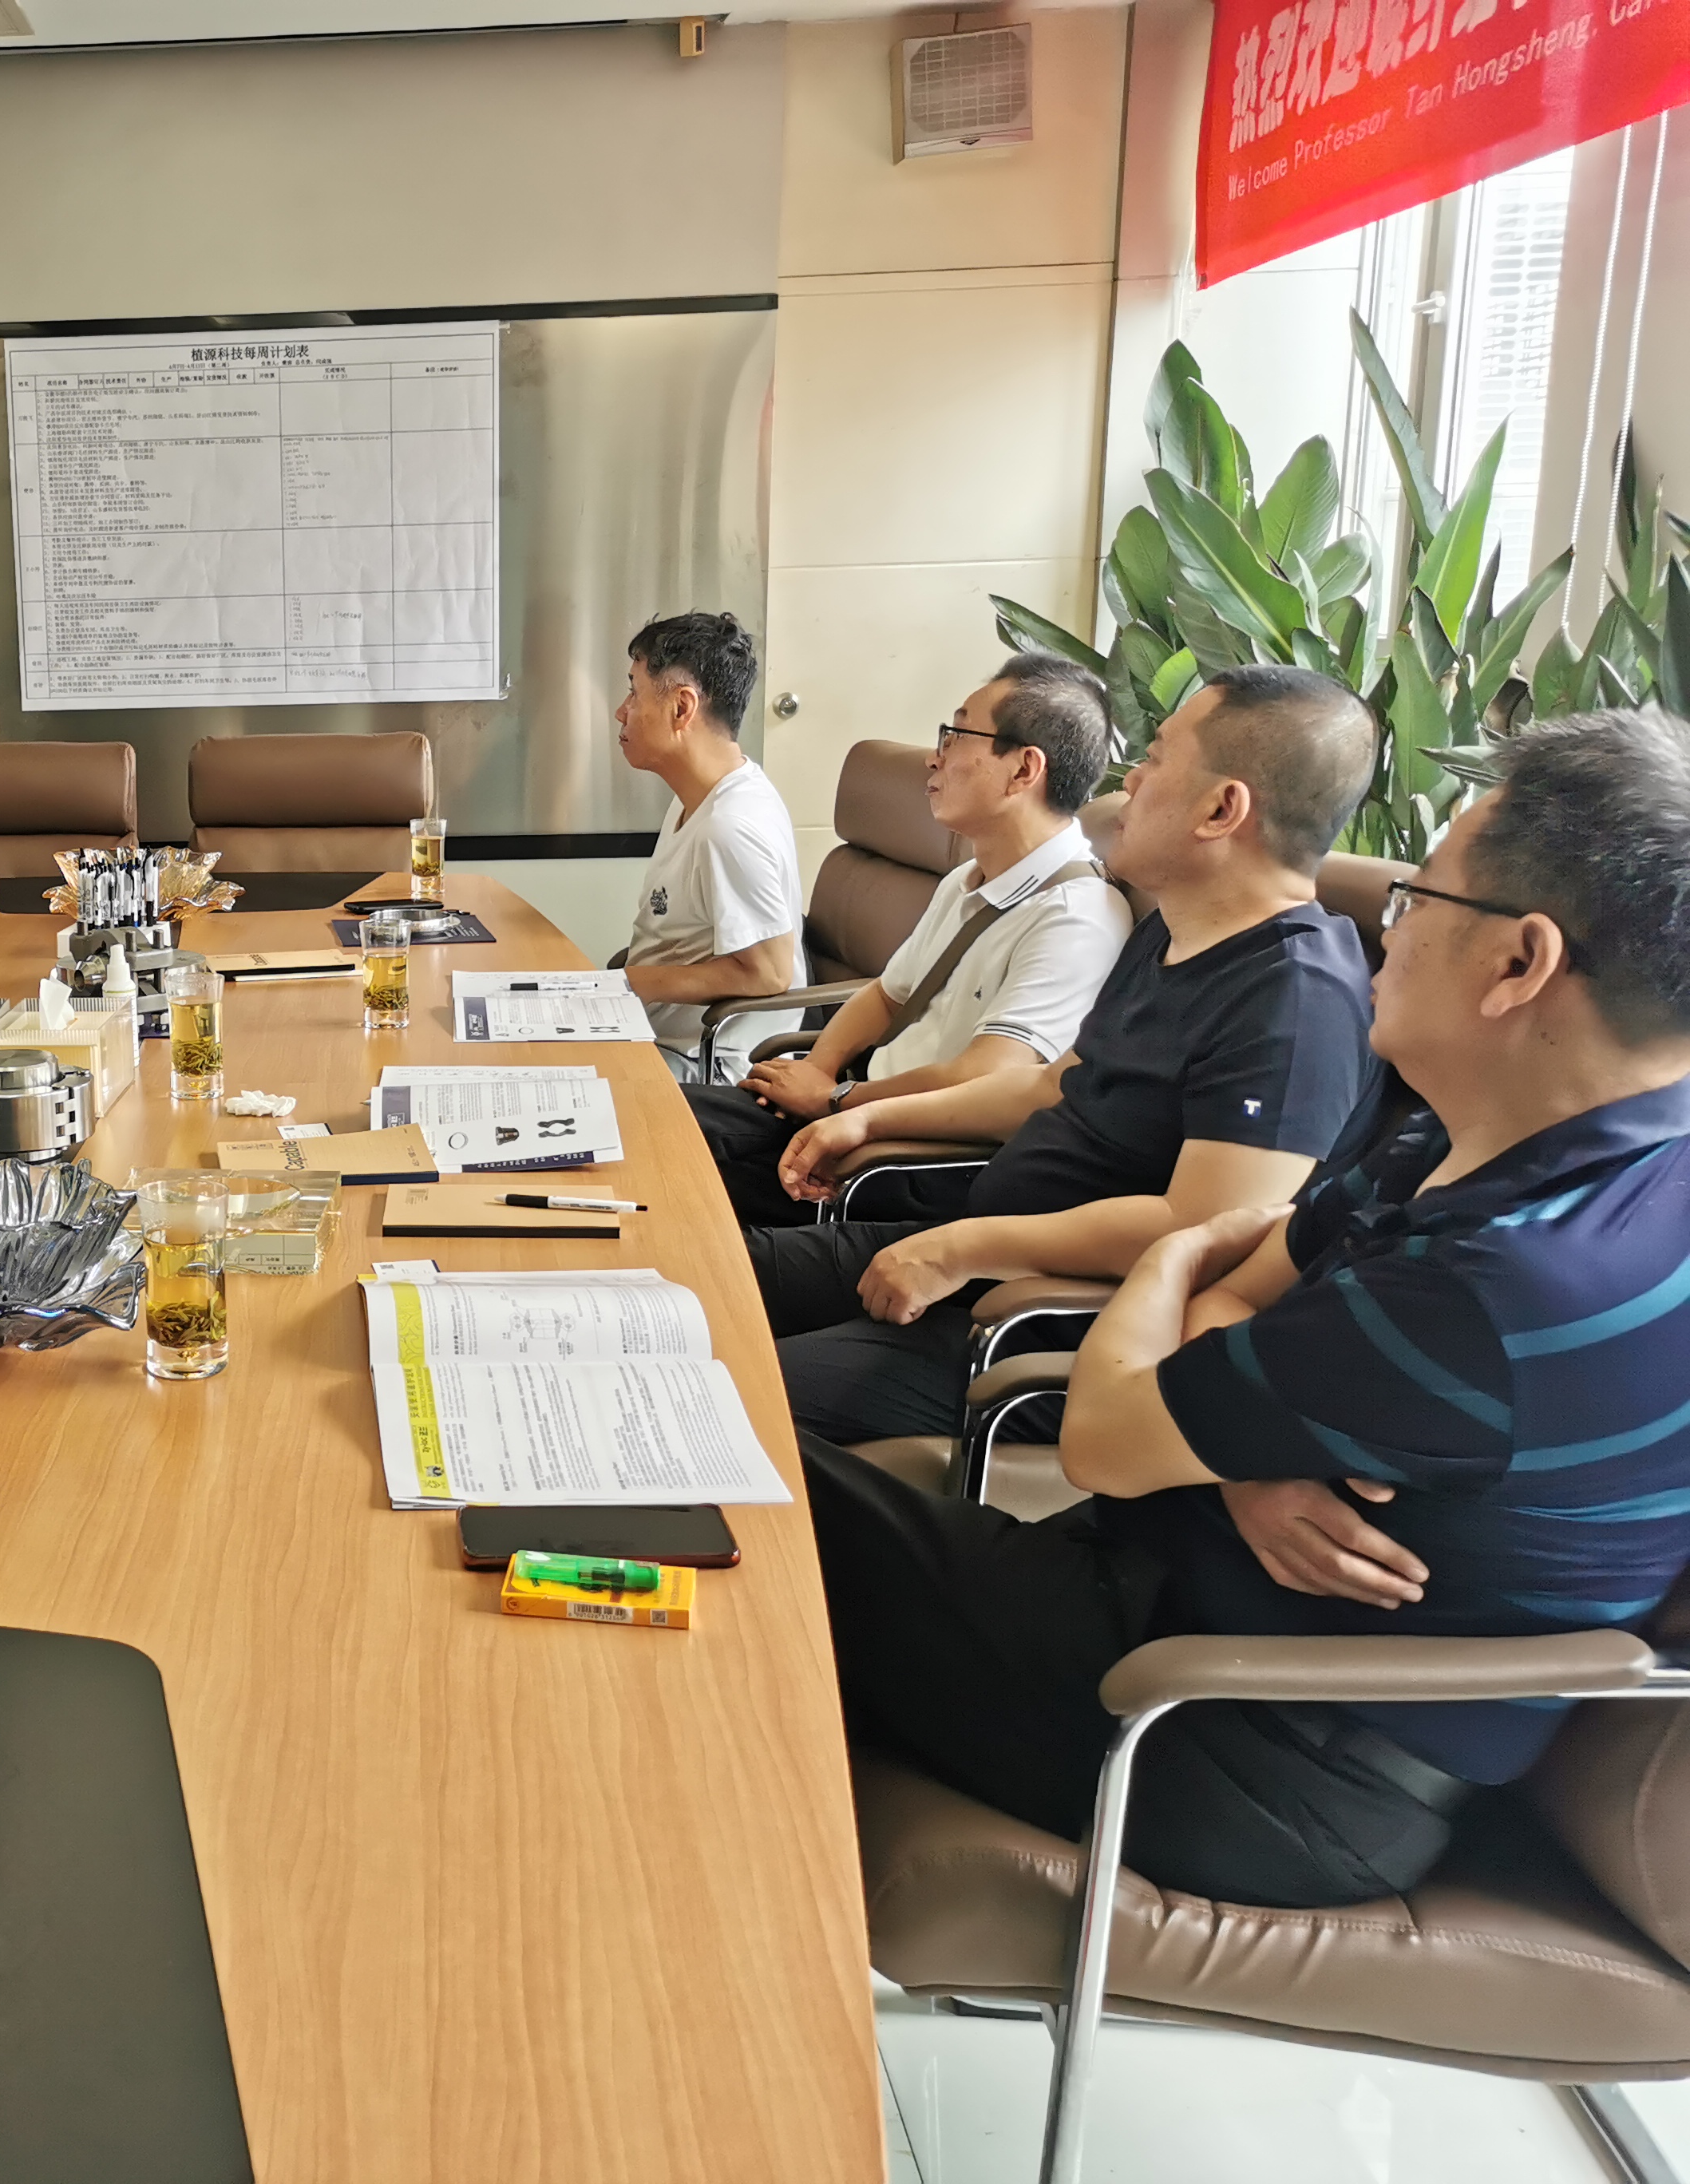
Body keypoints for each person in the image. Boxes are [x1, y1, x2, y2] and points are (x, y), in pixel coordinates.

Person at [803, 709, 1690, 1908]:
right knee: (738, 1483)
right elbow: (1248, 1290)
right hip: (1175, 1612)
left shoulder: (1504, 1282)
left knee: (737, 1494)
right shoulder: (1476, 1138)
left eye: (1419, 899)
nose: (1389, 931)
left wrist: (1176, 1262)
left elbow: (1109, 1435)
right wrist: (1245, 1457)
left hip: (1234, 1742)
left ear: (1521, 964)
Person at [757, 664, 1378, 1444]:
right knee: (699, 1282)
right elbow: (1050, 1088)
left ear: (1222, 809)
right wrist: (866, 1119)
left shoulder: (1296, 1000)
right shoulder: (1176, 929)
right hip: (982, 1251)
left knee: (714, 1396)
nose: (1129, 783)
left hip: (1043, 1326)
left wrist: (966, 1247)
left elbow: (1201, 1229)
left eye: (1155, 759)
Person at [691, 655, 1132, 1226]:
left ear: (1024, 770)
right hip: (854, 1114)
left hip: (906, 1165)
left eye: (957, 735)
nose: (933, 756)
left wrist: (835, 1101)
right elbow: (886, 996)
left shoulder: (1078, 917)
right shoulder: (968, 879)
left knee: (669, 1179)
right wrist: (818, 1073)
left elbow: (985, 1077)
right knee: (648, 1116)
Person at [611, 611, 805, 1083]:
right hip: (656, 1038)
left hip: (708, 1066)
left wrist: (629, 984)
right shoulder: (700, 798)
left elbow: (769, 974)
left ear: (682, 708)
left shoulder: (730, 826)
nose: (622, 711)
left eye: (635, 692)